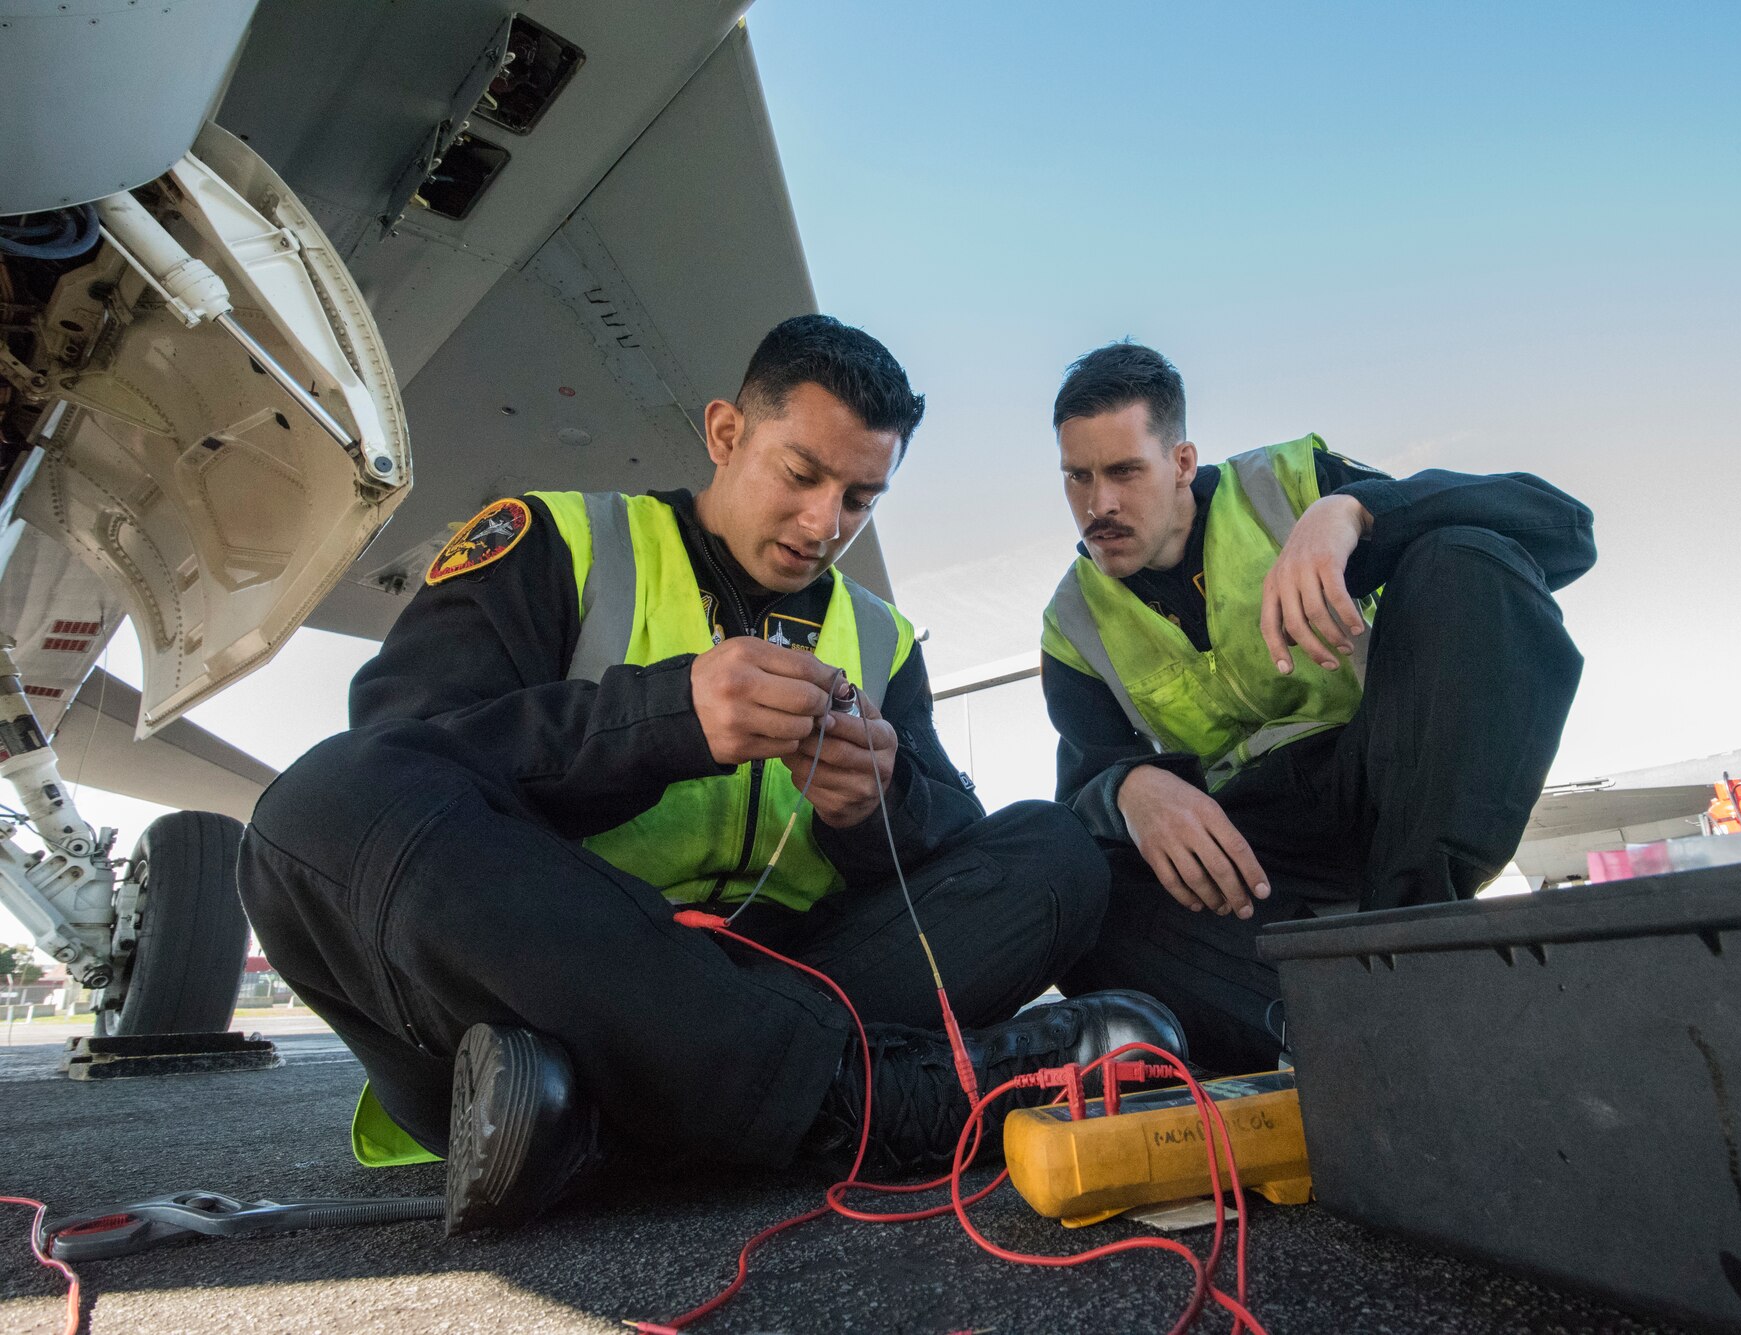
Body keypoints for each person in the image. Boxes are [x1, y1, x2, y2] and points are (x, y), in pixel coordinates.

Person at [238, 316, 1182, 1234]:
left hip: (772, 991)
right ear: (726, 432)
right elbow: (404, 755)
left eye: (860, 499)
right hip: (556, 984)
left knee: (1055, 848)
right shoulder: (553, 541)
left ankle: (615, 1129)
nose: (824, 523)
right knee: (314, 806)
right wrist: (664, 720)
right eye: (802, 474)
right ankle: (873, 1100)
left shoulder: (883, 637)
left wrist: (872, 809)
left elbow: (952, 840)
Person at [1040, 342, 1595, 1073]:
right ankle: (1324, 1028)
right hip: (1251, 853)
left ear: (1180, 462)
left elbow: (1563, 529)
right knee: (1070, 886)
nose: (1097, 504)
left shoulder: (1288, 488)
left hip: (1390, 784)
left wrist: (1355, 512)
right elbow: (1081, 791)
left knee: (1466, 559)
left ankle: (1422, 937)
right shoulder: (1072, 622)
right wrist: (1126, 788)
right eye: (1077, 476)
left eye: (1123, 472)